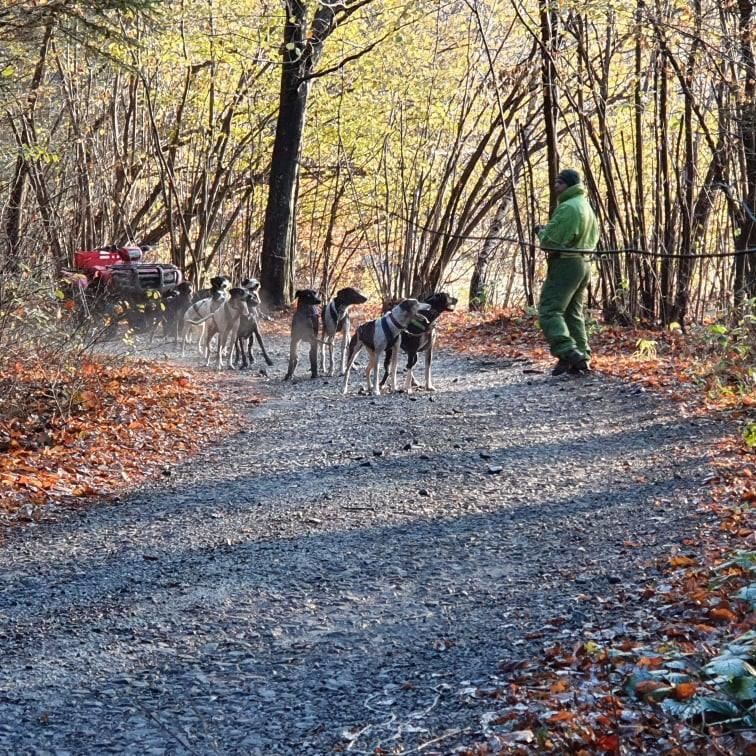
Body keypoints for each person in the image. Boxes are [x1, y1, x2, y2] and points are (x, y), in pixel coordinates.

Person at [536, 168, 599, 375]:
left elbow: (551, 242)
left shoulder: (568, 208)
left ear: (569, 185)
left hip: (566, 264)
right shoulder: (585, 206)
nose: (555, 187)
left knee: (550, 309)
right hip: (584, 264)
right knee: (573, 313)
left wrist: (541, 232)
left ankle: (567, 351)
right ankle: (580, 357)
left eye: (559, 183)